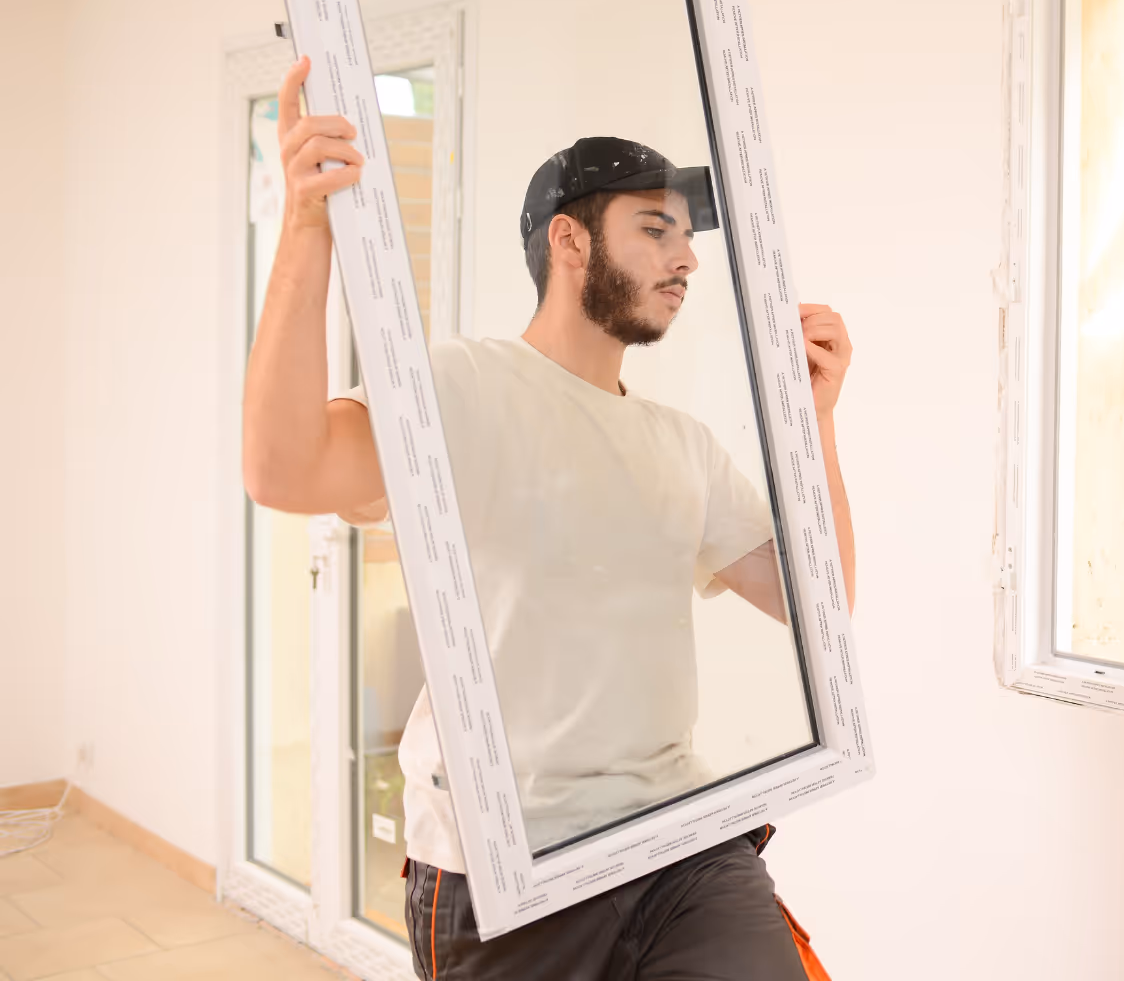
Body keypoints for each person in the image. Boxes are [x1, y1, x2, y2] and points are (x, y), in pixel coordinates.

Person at [244, 57, 852, 980]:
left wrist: (815, 424)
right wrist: (306, 227)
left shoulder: (680, 444)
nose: (685, 258)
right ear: (570, 242)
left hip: (678, 842)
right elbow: (283, 470)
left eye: (687, 237)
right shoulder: (459, 385)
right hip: (503, 867)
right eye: (655, 229)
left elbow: (824, 604)